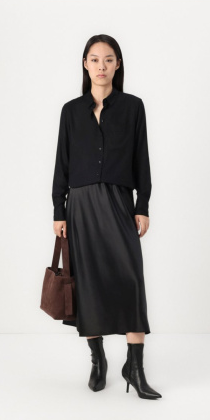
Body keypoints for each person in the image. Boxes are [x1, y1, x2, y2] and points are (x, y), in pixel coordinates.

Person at [51, 34, 162, 400]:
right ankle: (97, 359)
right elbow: (62, 163)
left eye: (109, 59)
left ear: (118, 64)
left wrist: (142, 205)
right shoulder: (71, 111)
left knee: (131, 280)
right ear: (85, 64)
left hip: (118, 201)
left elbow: (142, 160)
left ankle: (135, 367)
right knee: (88, 283)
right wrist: (59, 209)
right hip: (80, 206)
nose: (101, 66)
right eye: (95, 59)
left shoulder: (133, 107)